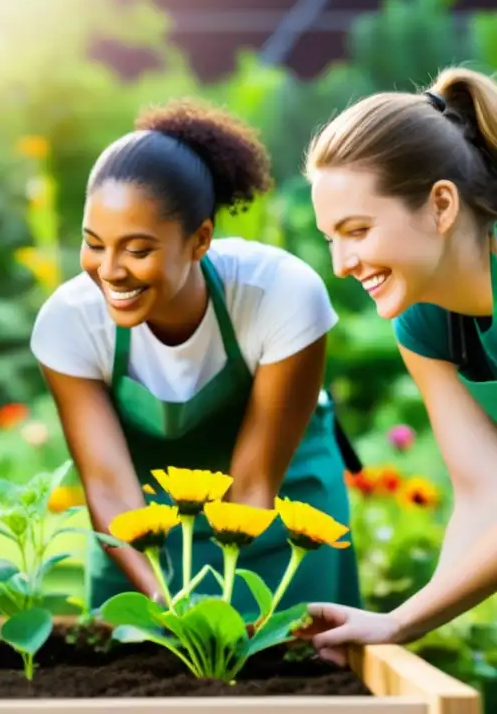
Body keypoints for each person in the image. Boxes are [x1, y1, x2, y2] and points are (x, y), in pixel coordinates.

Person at [29, 99, 362, 616]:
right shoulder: (70, 321)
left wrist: (216, 613)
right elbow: (109, 487)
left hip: (278, 518)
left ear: (200, 239)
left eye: (137, 251)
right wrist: (162, 598)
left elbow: (253, 484)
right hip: (140, 532)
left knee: (293, 674)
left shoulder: (277, 294)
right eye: (94, 245)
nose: (110, 271)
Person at [299, 66, 497, 663]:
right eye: (330, 238)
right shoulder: (423, 322)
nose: (341, 264)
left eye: (357, 230)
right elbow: (483, 490)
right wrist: (401, 621)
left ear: (441, 205)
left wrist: (405, 620)